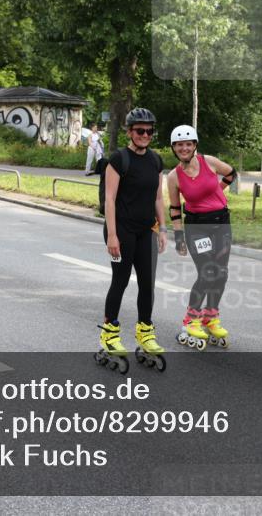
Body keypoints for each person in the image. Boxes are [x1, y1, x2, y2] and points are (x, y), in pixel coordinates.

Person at [97, 108, 168, 371]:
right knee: (121, 280)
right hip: (122, 231)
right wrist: (112, 235)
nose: (145, 135)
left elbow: (159, 198)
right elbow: (110, 199)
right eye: (140, 130)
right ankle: (109, 333)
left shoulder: (156, 161)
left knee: (148, 283)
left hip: (146, 230)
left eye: (149, 131)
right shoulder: (119, 160)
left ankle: (145, 332)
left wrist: (162, 229)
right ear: (130, 132)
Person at [166, 124, 237, 351]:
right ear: (174, 148)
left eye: (188, 144)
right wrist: (178, 236)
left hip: (221, 223)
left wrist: (217, 188)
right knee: (208, 271)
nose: (184, 148)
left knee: (221, 273)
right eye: (179, 145)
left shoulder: (210, 162)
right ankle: (191, 319)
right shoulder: (173, 176)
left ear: (195, 145)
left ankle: (211, 317)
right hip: (197, 227)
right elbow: (175, 209)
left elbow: (231, 173)